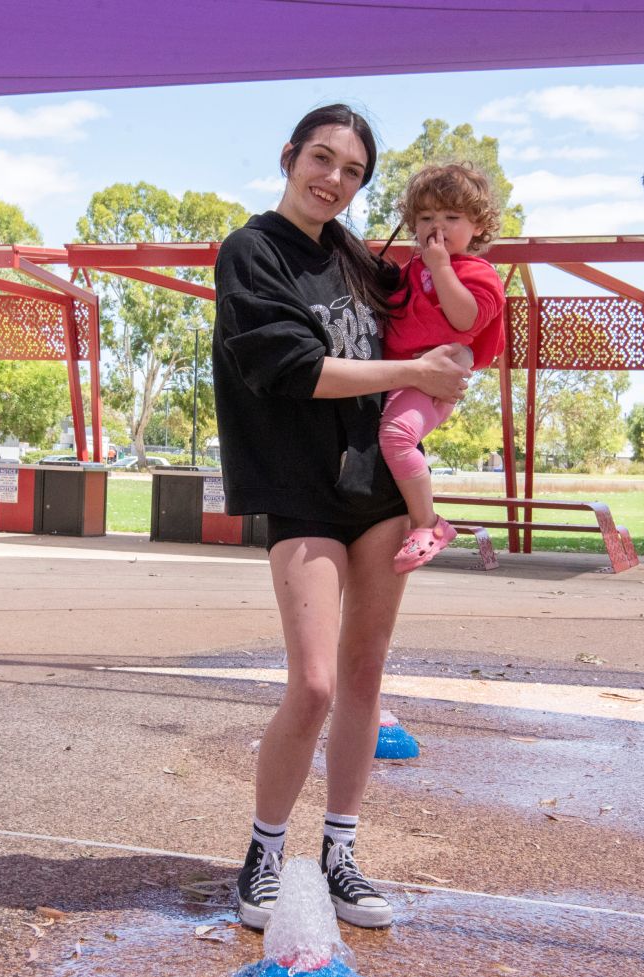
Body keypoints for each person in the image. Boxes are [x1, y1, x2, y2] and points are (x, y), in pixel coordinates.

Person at [212, 104, 472, 930]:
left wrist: (459, 281)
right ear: (289, 156)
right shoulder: (252, 253)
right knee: (316, 682)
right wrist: (415, 371)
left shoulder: (360, 260)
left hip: (378, 493)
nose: (333, 179)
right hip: (299, 490)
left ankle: (340, 853)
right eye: (321, 159)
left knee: (364, 677)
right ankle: (263, 849)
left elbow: (435, 305)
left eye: (352, 171)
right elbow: (293, 367)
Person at [380, 162, 506, 572]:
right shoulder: (408, 272)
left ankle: (428, 524)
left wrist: (440, 267)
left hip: (432, 382)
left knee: (397, 437)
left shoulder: (478, 274)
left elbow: (465, 319)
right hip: (398, 375)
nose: (439, 227)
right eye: (426, 218)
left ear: (477, 225)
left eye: (452, 217)